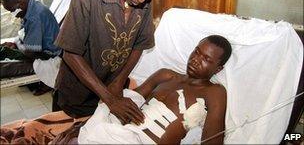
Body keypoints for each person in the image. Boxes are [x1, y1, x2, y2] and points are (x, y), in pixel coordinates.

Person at [51, 35, 232, 144]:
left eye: (206, 59)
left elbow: (212, 140)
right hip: (120, 133)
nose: (195, 60)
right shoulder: (165, 75)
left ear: (218, 69)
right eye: (196, 52)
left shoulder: (214, 92)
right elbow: (124, 103)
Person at [53, 0, 165, 125]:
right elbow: (71, 53)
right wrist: (110, 99)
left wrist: (118, 83)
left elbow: (139, 44)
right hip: (78, 91)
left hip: (113, 86)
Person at [1, 0, 61, 96]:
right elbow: (25, 32)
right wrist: (17, 43)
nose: (14, 15)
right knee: (6, 49)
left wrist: (17, 42)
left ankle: (45, 84)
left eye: (13, 11)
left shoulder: (35, 17)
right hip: (38, 46)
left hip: (48, 54)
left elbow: (30, 52)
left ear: (21, 2)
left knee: (6, 53)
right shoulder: (30, 6)